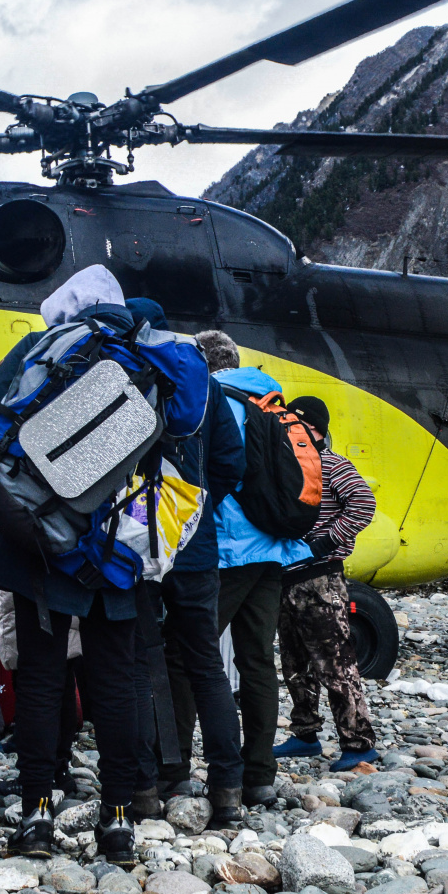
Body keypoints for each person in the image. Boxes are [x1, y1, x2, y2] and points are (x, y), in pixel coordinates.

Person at [0, 266, 206, 866]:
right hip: (118, 546)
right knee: (118, 683)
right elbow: (182, 449)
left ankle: (36, 815)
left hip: (39, 540)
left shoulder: (43, 349)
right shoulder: (151, 359)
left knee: (41, 680)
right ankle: (118, 819)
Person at [120, 304, 247, 825]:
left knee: (140, 661)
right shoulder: (205, 385)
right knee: (206, 666)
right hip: (194, 543)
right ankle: (228, 790)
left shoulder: (120, 376)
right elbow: (231, 462)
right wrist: (193, 508)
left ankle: (146, 787)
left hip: (133, 543)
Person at [205, 332, 314, 807]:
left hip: (229, 549)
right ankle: (259, 775)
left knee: (189, 656)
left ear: (205, 364)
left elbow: (220, 470)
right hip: (273, 548)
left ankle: (182, 771)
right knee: (257, 662)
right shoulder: (270, 399)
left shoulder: (215, 399)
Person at [275, 396, 379, 771]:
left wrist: (326, 542)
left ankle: (358, 743)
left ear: (314, 428)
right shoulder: (286, 465)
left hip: (321, 578)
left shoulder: (333, 465)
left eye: (294, 423)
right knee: (294, 663)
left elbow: (364, 504)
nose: (287, 429)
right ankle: (305, 735)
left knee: (336, 664)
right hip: (287, 578)